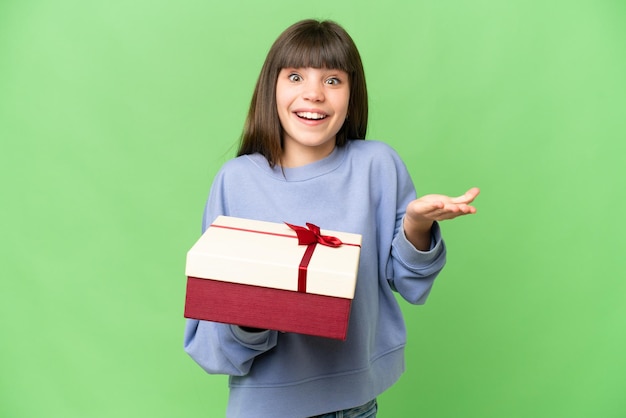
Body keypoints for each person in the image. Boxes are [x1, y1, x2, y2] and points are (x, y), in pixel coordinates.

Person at [184, 19, 479, 418]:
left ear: (351, 94)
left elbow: (409, 284)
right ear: (271, 88)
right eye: (294, 76)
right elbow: (209, 336)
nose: (313, 94)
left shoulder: (378, 166)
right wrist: (253, 315)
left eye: (333, 80)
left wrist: (416, 225)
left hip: (355, 404)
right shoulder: (236, 181)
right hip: (266, 406)